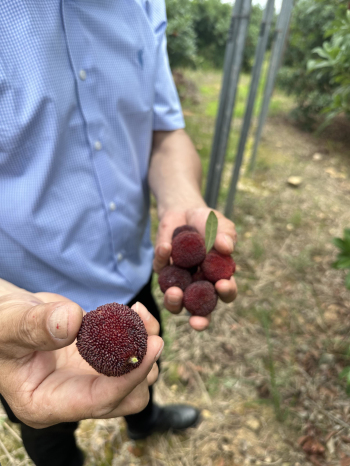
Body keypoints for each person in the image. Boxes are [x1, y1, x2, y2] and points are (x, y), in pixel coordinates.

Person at [0, 1, 237, 465]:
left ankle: (145, 423)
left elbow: (165, 133)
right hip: (22, 301)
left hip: (133, 269)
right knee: (46, 426)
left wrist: (180, 198)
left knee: (146, 368)